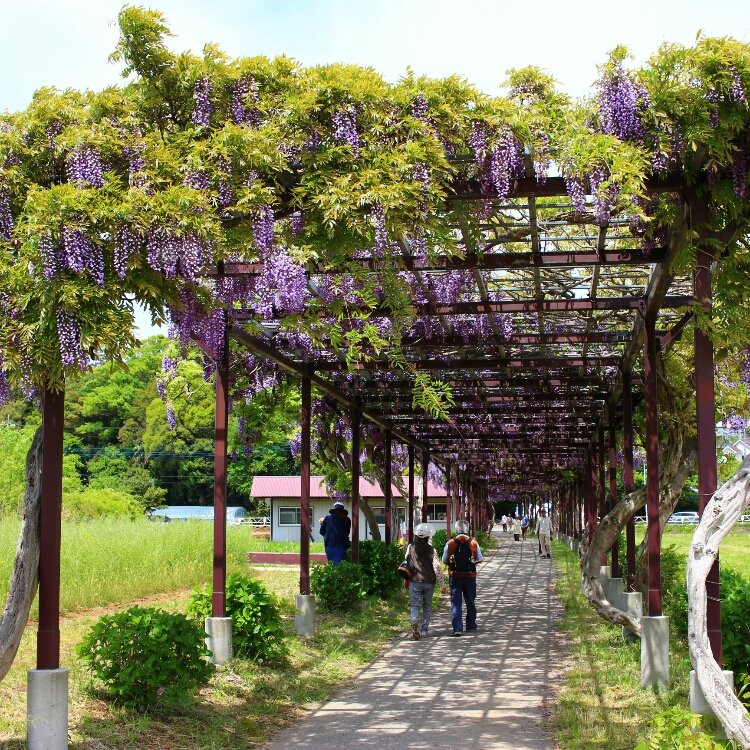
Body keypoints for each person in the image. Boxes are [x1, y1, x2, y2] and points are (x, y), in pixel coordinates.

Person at [404, 523, 446, 640]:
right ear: (428, 537)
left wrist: (406, 579)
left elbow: (407, 564)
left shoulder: (410, 547)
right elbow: (437, 567)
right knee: (427, 605)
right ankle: (424, 631)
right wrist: (442, 585)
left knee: (415, 605)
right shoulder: (432, 549)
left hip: (414, 580)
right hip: (429, 581)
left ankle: (414, 622)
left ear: (416, 535)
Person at [442, 519, 483, 636]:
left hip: (455, 577)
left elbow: (444, 560)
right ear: (467, 529)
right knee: (470, 601)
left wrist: (452, 563)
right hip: (470, 576)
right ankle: (471, 624)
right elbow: (480, 559)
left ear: (456, 529)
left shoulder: (450, 543)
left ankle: (457, 628)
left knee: (456, 603)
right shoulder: (473, 543)